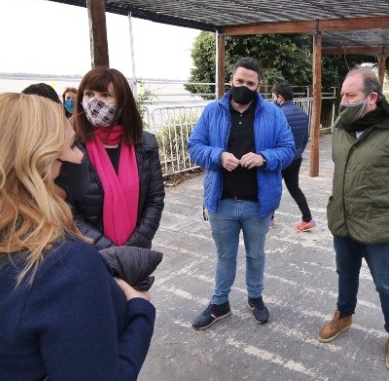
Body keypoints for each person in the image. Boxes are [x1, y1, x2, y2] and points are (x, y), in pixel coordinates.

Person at [0, 93, 155, 380]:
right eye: (72, 145)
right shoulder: (64, 266)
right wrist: (140, 311)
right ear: (39, 164)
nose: (81, 155)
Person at [317, 67, 389, 371]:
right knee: (345, 273)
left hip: (379, 228)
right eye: (342, 95)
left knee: (386, 285)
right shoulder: (341, 126)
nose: (344, 101)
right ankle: (344, 314)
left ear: (373, 97)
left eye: (351, 95)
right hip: (343, 222)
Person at [187, 57, 294, 329]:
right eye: (239, 81)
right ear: (231, 81)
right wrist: (218, 155)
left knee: (256, 254)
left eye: (251, 83)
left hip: (258, 202)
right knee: (225, 255)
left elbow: (288, 149)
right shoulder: (213, 112)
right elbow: (195, 146)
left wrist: (264, 158)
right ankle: (219, 303)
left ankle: (255, 298)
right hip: (221, 201)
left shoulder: (273, 114)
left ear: (259, 86)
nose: (244, 86)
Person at [69, 67, 165, 249]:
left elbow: (154, 199)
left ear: (122, 103)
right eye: (89, 94)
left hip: (135, 255)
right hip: (90, 256)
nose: (95, 102)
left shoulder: (146, 144)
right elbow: (67, 210)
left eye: (105, 95)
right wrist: (108, 251)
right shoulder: (71, 146)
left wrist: (134, 246)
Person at [271, 82, 316, 231]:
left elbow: (272, 139)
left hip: (281, 159)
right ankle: (308, 219)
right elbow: (305, 138)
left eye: (274, 96)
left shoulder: (278, 114)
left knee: (273, 188)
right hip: (296, 158)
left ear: (279, 97)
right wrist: (298, 152)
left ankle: (269, 220)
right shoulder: (303, 114)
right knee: (294, 188)